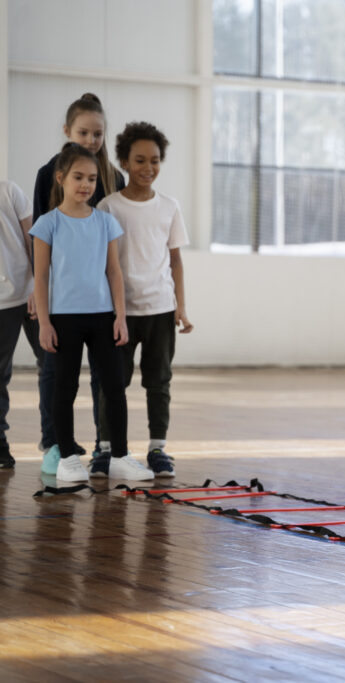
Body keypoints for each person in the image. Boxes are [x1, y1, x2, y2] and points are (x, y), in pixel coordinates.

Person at [30, 143, 153, 483]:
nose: (86, 185)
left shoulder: (105, 222)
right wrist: (44, 323)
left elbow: (114, 272)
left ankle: (120, 455)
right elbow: (40, 277)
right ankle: (68, 456)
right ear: (61, 178)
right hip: (63, 320)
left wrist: (120, 316)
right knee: (64, 389)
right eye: (78, 177)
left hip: (102, 317)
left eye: (92, 179)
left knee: (114, 388)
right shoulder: (47, 224)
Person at [33, 93, 126, 475]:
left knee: (106, 380)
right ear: (68, 131)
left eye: (98, 133)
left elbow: (111, 254)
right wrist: (38, 304)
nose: (91, 139)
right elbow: (41, 245)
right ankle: (57, 444)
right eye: (84, 132)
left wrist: (119, 308)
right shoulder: (47, 174)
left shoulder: (113, 178)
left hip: (100, 303)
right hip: (61, 303)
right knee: (56, 376)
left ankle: (107, 448)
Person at [96, 121, 193, 478]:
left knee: (159, 381)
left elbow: (176, 260)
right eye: (139, 160)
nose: (147, 168)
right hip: (119, 312)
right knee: (113, 382)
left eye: (154, 160)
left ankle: (158, 449)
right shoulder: (108, 207)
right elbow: (104, 265)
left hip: (160, 310)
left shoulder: (169, 207)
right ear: (123, 161)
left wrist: (181, 307)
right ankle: (106, 450)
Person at [0, 180, 43, 468]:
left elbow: (32, 239)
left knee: (53, 366)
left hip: (29, 293)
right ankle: (0, 443)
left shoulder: (8, 189)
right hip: (1, 303)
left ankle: (55, 441)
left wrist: (39, 287)